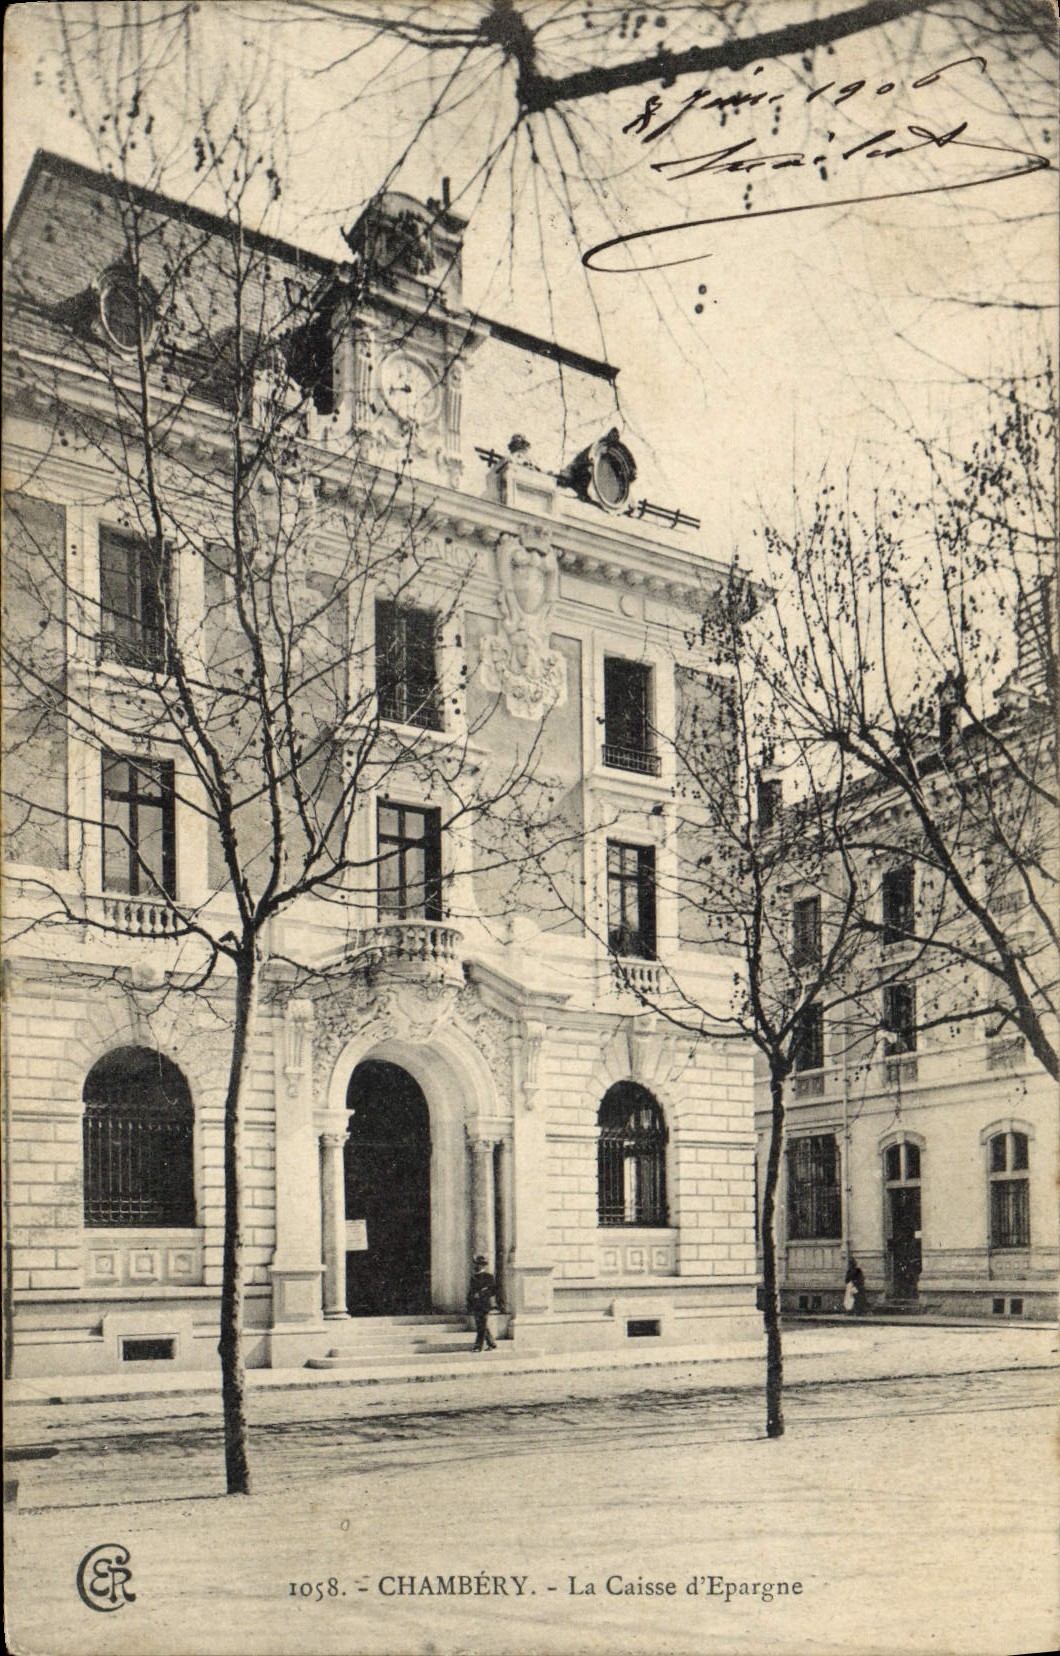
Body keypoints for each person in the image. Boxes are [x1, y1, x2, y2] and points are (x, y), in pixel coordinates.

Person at [467, 1255, 497, 1351]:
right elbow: (471, 1292)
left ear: (483, 1265)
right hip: (476, 1305)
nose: (477, 1266)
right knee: (481, 1325)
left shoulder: (489, 1277)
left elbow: (493, 1291)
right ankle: (492, 1343)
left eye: (480, 1264)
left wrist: (481, 1294)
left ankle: (478, 1346)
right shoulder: (473, 1277)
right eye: (477, 1264)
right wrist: (470, 1302)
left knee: (482, 1326)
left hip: (484, 1305)